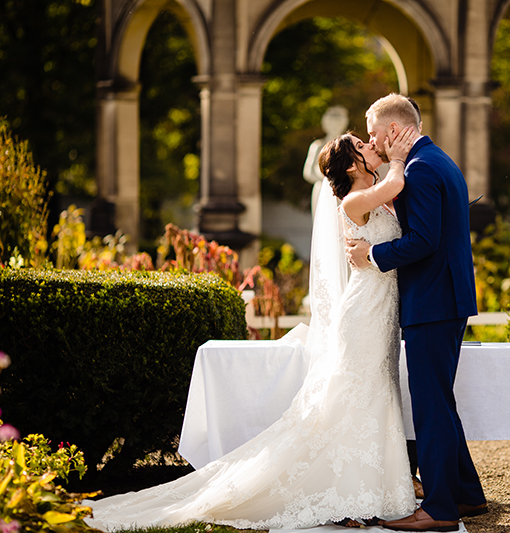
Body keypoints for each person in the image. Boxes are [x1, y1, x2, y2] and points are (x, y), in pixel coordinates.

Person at [84, 128, 418, 532]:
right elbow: (397, 182)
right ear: (352, 165)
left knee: (375, 393)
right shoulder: (354, 200)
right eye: (364, 147)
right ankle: (346, 494)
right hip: (364, 311)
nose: (372, 148)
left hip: (381, 311)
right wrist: (399, 155)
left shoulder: (373, 193)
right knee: (358, 395)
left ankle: (363, 491)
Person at [346, 94, 488, 533]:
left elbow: (423, 241)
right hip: (444, 297)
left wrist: (372, 253)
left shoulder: (421, 169)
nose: (371, 141)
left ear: (393, 131)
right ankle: (466, 495)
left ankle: (440, 509)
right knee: (439, 402)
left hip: (434, 301)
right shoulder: (434, 159)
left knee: (430, 407)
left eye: (373, 133)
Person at [303, 106, 349, 218]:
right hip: (321, 190)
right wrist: (327, 179)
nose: (335, 127)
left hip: (342, 191)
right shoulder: (318, 146)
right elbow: (308, 173)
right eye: (332, 123)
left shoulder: (348, 146)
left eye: (338, 123)